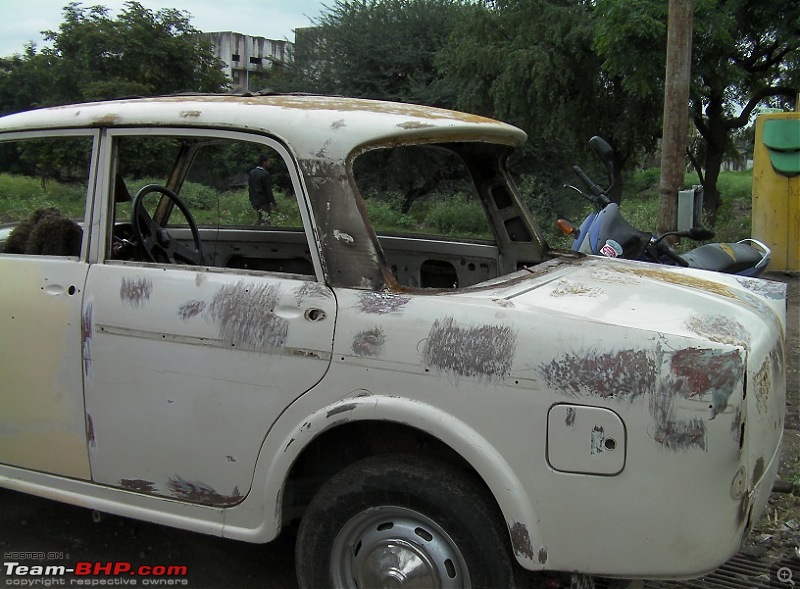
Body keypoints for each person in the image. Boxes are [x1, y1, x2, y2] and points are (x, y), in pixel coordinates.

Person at [248, 155, 278, 225]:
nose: (269, 163)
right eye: (268, 161)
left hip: (255, 201)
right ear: (264, 162)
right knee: (265, 219)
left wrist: (252, 200)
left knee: (260, 218)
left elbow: (250, 188)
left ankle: (253, 230)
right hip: (263, 201)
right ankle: (254, 232)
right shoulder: (265, 174)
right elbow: (268, 190)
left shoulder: (252, 173)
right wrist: (274, 204)